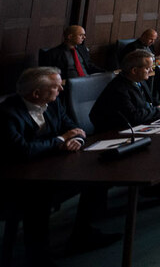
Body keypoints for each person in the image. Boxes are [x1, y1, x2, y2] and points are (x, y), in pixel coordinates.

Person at [0, 67, 119, 261]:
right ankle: (38, 255)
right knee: (38, 196)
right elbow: (23, 150)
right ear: (36, 93)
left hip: (51, 166)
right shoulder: (7, 113)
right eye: (56, 87)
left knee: (98, 175)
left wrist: (76, 140)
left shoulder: (53, 104)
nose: (61, 90)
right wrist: (60, 140)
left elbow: (74, 128)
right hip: (17, 179)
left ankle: (82, 234)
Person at [89, 50, 160, 132]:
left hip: (137, 127)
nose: (151, 70)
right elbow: (134, 117)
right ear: (134, 71)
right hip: (112, 133)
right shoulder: (119, 89)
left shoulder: (140, 80)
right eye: (147, 68)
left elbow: (150, 100)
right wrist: (158, 110)